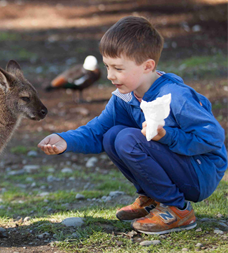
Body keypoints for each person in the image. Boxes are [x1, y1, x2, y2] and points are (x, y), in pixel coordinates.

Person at [36, 16, 226, 235]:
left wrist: (167, 136)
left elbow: (212, 138)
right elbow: (98, 131)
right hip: (181, 168)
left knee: (127, 139)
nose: (109, 75)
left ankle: (177, 210)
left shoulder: (176, 96)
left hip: (200, 173)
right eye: (107, 66)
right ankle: (153, 199)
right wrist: (65, 140)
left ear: (147, 66)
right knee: (111, 135)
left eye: (118, 68)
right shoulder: (124, 97)